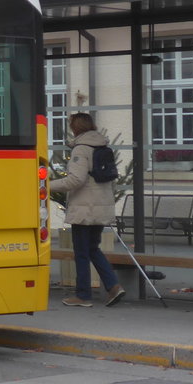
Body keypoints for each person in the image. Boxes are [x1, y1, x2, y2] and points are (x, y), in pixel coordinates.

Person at [50, 112, 125, 307]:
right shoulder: (102, 146)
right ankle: (113, 286)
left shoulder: (81, 149)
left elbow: (75, 179)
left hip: (84, 209)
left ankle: (83, 296)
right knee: (92, 248)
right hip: (101, 207)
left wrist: (45, 185)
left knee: (82, 252)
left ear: (75, 128)